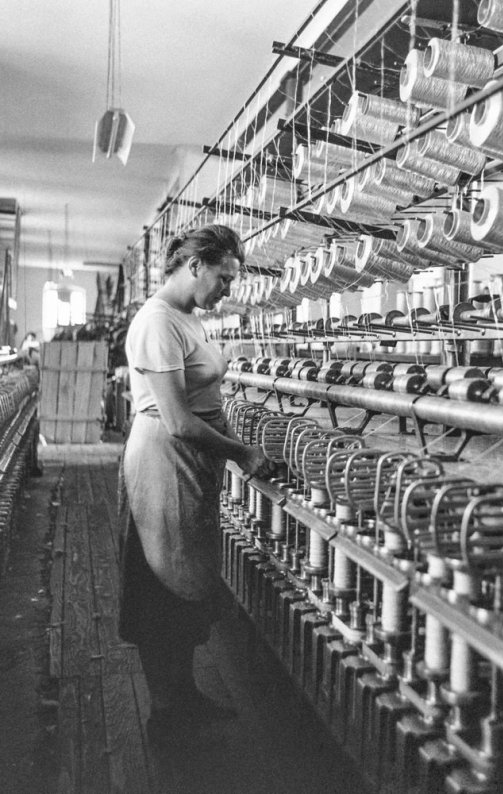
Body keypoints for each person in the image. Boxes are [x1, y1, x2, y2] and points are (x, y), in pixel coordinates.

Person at [119, 224, 269, 745]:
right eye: (224, 278)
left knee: (184, 583)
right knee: (161, 582)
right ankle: (165, 712)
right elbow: (180, 421)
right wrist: (241, 453)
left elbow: (203, 402)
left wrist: (232, 444)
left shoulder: (188, 317)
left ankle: (183, 695)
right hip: (164, 460)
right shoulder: (157, 321)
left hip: (191, 462)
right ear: (195, 266)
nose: (228, 288)